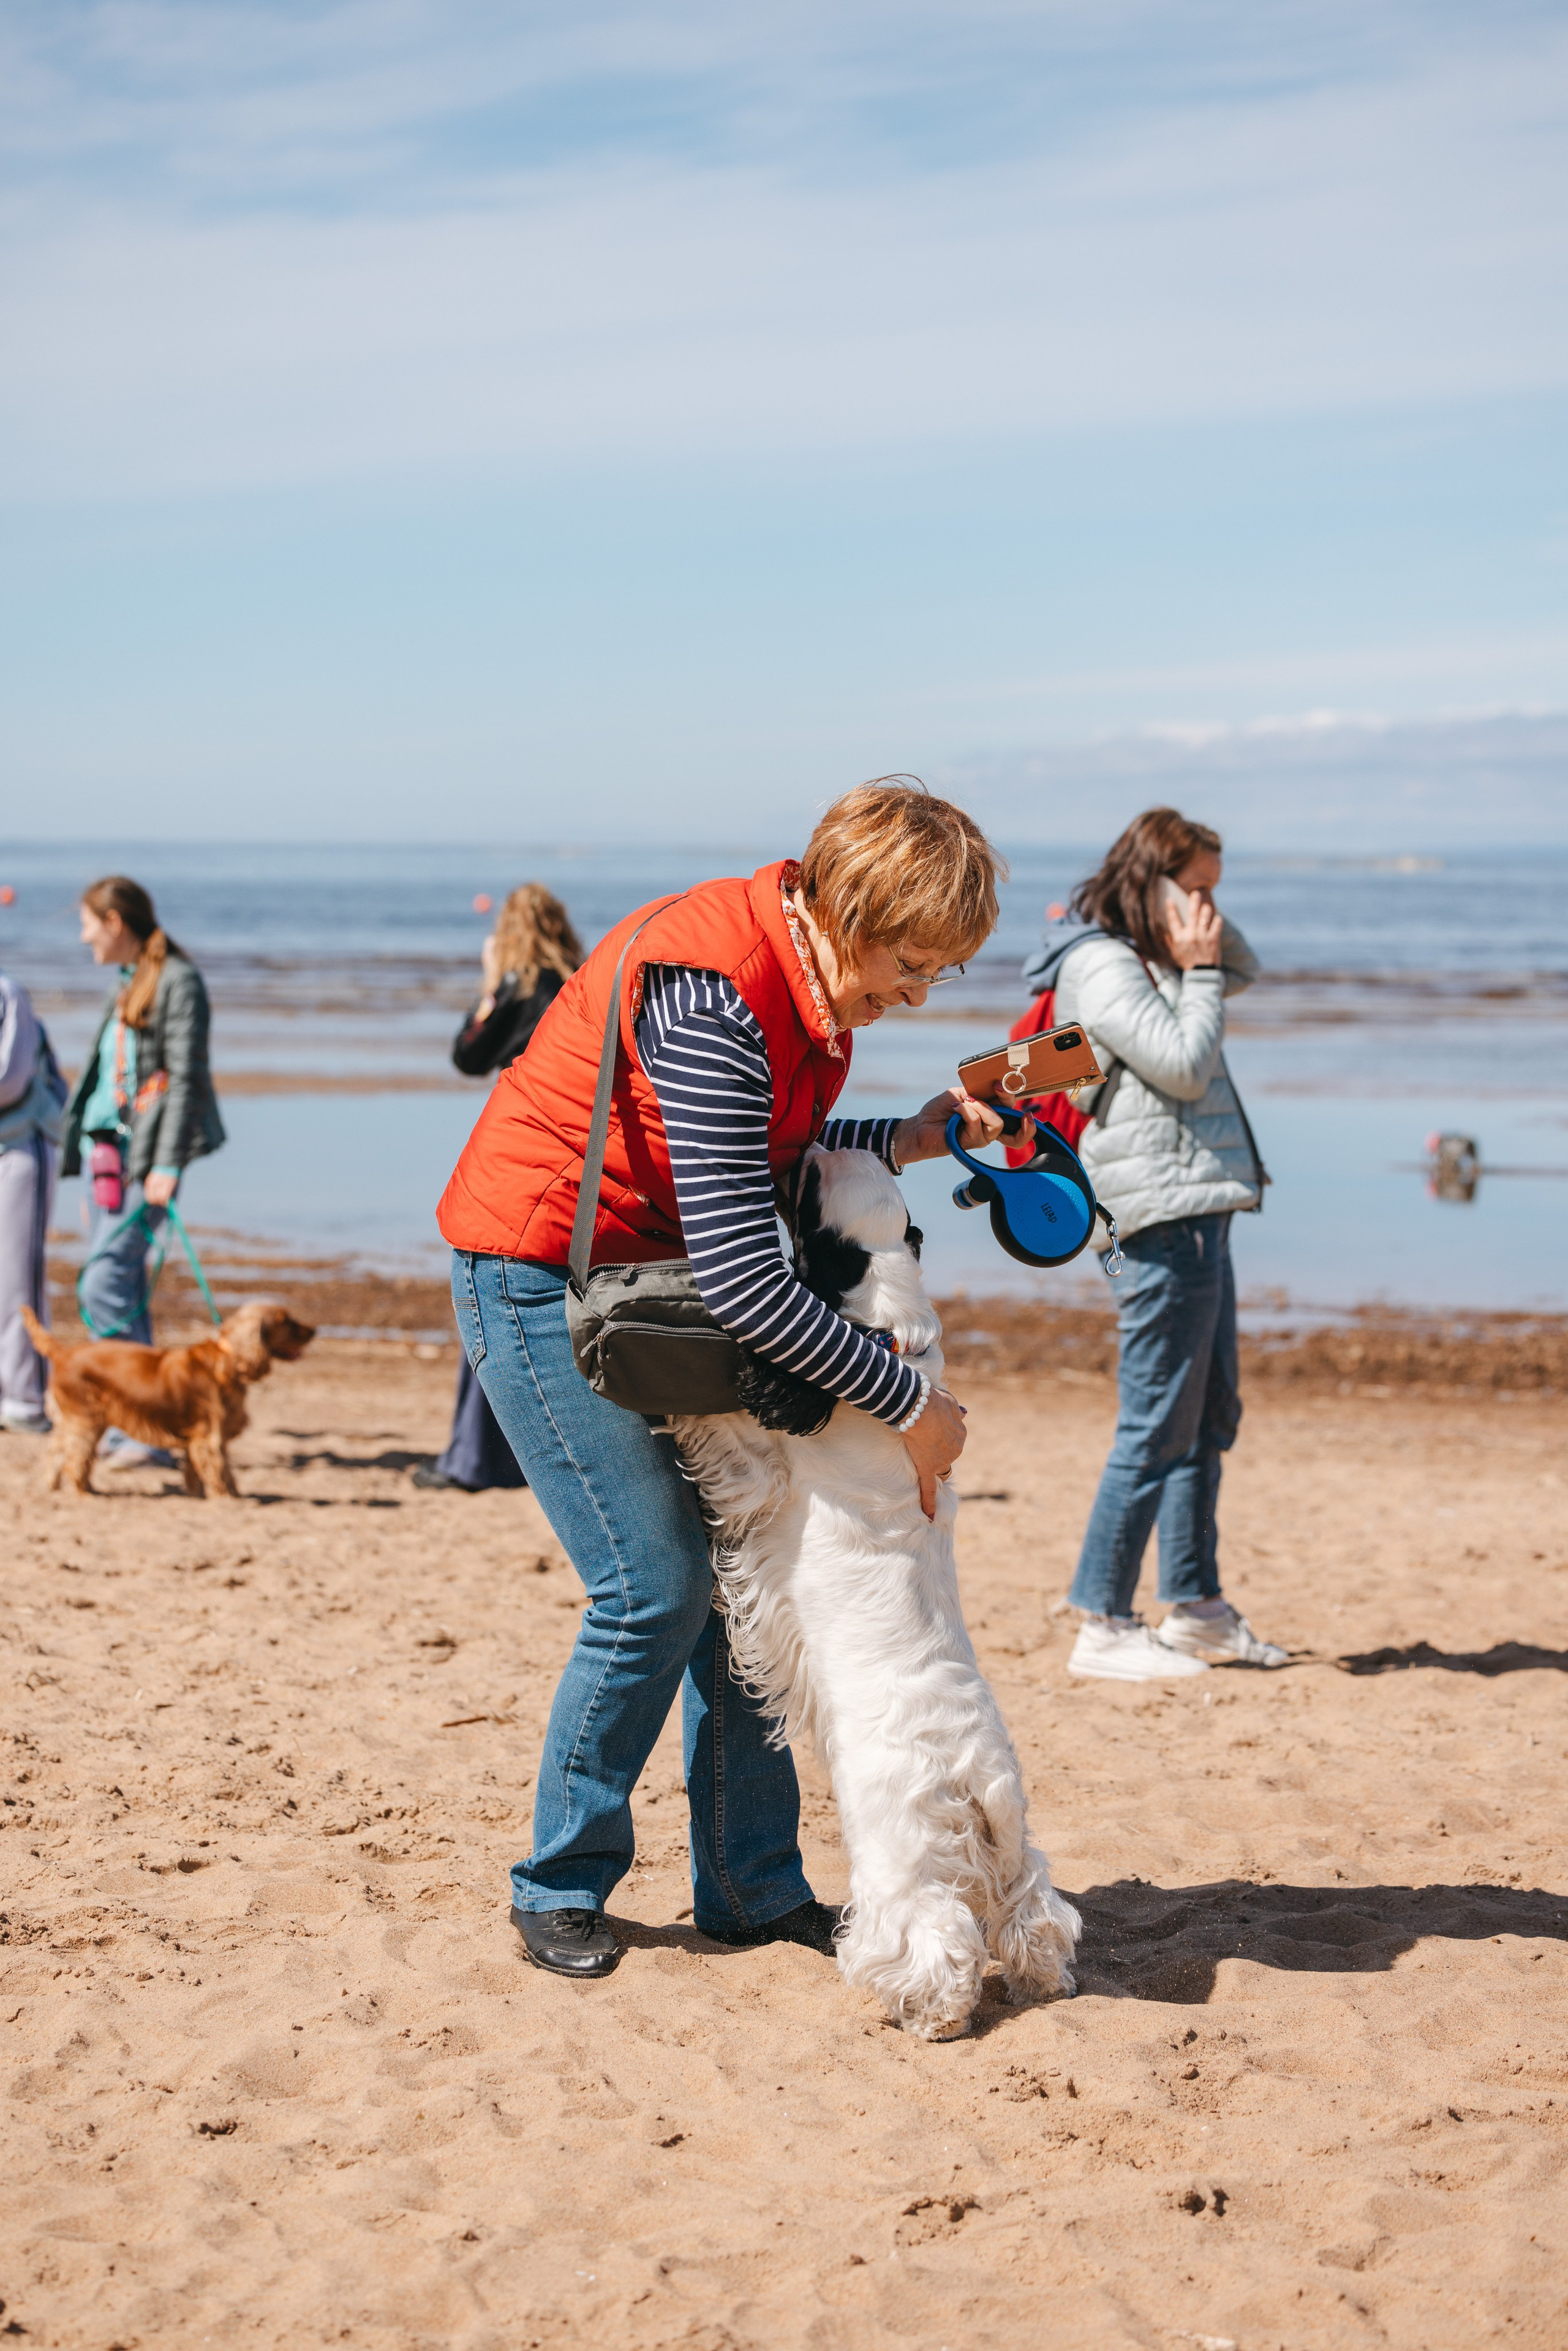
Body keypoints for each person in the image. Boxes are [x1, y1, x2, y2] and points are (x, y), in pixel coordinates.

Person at [437, 780, 1027, 1979]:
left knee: (738, 1579)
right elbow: (752, 1286)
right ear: (849, 909)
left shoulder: (805, 985)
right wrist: (913, 1406)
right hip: (540, 1275)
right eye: (912, 961)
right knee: (650, 1583)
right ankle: (558, 1879)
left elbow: (772, 1146)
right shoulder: (711, 990)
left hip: (645, 1284)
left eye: (938, 973)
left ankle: (751, 1886)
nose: (916, 992)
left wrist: (909, 1134)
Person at [1023, 807, 1286, 1681]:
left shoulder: (1167, 949)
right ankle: (1101, 1618)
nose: (1210, 910)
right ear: (1152, 880)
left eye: (1218, 890)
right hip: (1155, 1212)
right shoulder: (1101, 963)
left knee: (1207, 1417)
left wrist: (1197, 932)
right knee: (1154, 1424)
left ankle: (1197, 1605)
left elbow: (1243, 964)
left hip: (1201, 1205)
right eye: (1197, 889)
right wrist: (1198, 966)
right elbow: (1182, 1063)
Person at [415, 884, 585, 1493]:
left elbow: (468, 1055)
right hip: (576, 1162)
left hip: (522, 1154)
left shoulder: (521, 987)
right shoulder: (580, 983)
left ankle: (473, 1459)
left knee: (493, 1305)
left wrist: (490, 985)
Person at [61, 878, 225, 1468]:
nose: (83, 938)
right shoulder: (129, 979)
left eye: (86, 925)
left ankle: (141, 1423)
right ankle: (146, 1427)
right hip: (106, 1155)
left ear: (113, 921)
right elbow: (106, 1078)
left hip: (145, 1157)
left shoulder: (179, 981)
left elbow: (186, 1078)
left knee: (100, 1283)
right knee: (123, 1286)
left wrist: (167, 1163)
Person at [0, 964, 67, 1435]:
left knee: (17, 1274)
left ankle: (25, 1399)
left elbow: (11, 1079)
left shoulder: (7, 994)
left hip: (21, 1144)